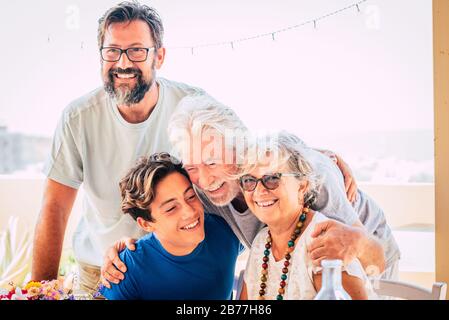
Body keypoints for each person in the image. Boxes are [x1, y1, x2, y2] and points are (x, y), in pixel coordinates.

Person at [101, 95, 400, 289]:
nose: (204, 181)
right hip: (293, 272)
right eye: (192, 167)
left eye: (213, 161)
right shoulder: (203, 192)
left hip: (369, 248)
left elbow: (375, 260)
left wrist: (359, 243)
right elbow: (165, 218)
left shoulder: (311, 179)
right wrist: (127, 250)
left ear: (240, 145)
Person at [31, 1, 206, 294]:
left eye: (137, 50)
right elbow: (55, 207)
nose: (123, 63)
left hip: (180, 266)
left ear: (159, 56)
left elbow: (234, 182)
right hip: (101, 273)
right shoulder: (78, 117)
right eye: (112, 51)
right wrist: (40, 292)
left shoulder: (194, 106)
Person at [238, 132, 376, 300]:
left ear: (302, 187)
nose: (259, 191)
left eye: (273, 178)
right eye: (249, 181)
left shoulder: (323, 244)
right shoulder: (261, 242)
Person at [101, 153, 241, 300]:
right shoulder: (125, 269)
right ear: (146, 224)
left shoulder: (225, 231)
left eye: (191, 197)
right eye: (171, 208)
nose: (190, 211)